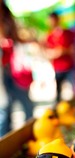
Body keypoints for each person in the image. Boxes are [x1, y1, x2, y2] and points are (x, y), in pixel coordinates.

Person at [0, 1, 33, 137]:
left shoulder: (9, 22)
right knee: (5, 109)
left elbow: (19, 39)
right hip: (5, 72)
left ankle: (27, 135)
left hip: (13, 70)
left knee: (23, 106)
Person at [43, 12, 75, 102]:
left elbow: (73, 50)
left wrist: (62, 51)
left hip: (70, 67)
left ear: (58, 20)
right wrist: (58, 52)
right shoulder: (49, 36)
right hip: (57, 68)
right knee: (58, 95)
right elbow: (47, 53)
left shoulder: (68, 33)